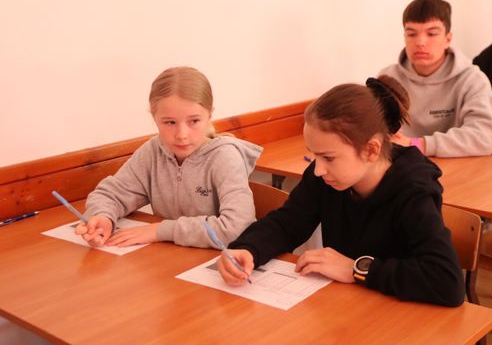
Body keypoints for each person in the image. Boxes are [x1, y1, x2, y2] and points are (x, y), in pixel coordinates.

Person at [217, 76, 465, 307]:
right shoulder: (328, 177)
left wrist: (355, 269)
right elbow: (287, 223)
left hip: (401, 316)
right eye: (314, 155)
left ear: (371, 150)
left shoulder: (413, 190)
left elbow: (447, 282)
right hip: (345, 308)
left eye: (328, 158)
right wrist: (248, 248)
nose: (318, 170)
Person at [76, 66, 262, 248]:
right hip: (167, 257)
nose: (182, 135)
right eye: (170, 122)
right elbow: (111, 194)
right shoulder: (152, 152)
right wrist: (103, 217)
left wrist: (160, 231)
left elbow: (237, 228)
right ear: (155, 118)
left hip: (216, 261)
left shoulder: (225, 158)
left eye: (194, 121)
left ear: (209, 115)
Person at [379, 0, 492, 157]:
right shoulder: (387, 78)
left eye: (431, 34)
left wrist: (418, 144)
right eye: (411, 34)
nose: (420, 42)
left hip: (458, 167)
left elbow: (483, 138)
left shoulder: (473, 79)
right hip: (401, 164)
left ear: (447, 39)